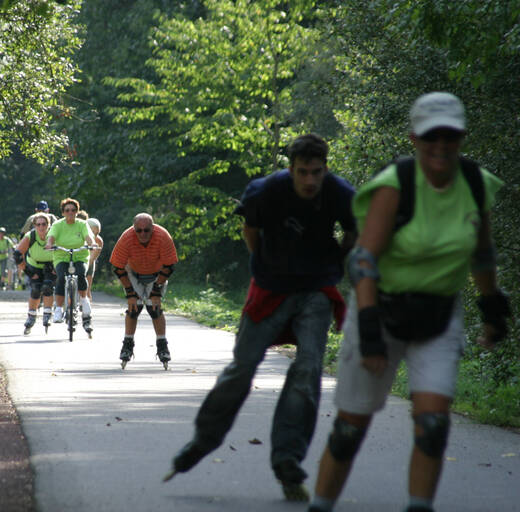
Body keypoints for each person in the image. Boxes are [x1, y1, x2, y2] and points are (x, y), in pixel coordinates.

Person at [308, 93, 509, 512]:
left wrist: (492, 306)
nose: (440, 145)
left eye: (449, 136)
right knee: (349, 428)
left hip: (438, 314)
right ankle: (320, 505)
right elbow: (363, 261)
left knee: (433, 426)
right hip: (379, 309)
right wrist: (368, 331)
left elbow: (482, 253)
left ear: (462, 137)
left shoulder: (475, 185)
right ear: (415, 138)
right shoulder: (396, 186)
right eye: (430, 136)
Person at [164, 134, 357, 502]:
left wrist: (335, 261)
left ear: (325, 168)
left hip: (316, 291)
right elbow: (250, 231)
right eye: (303, 172)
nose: (310, 181)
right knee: (242, 369)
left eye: (317, 172)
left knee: (308, 369)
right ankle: (202, 442)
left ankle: (287, 461)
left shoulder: (340, 193)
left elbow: (354, 229)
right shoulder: (266, 191)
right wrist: (267, 265)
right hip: (270, 290)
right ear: (291, 169)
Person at [109, 213, 179, 368]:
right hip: (133, 273)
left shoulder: (162, 236)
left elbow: (169, 266)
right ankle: (127, 344)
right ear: (134, 229)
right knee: (134, 308)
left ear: (153, 228)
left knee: (155, 309)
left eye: (146, 230)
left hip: (157, 274)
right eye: (138, 231)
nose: (143, 234)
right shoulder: (127, 238)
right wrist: (130, 294)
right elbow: (118, 267)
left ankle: (162, 345)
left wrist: (156, 291)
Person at [45, 198, 97, 334]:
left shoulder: (82, 224)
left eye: (73, 210)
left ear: (77, 212)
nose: (70, 212)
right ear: (63, 212)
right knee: (61, 277)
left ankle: (84, 300)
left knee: (81, 274)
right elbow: (51, 237)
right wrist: (50, 244)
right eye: (67, 210)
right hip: (61, 255)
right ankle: (58, 309)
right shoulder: (57, 225)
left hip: (80, 255)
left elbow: (89, 237)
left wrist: (91, 243)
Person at [13, 213, 56, 334]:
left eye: (44, 224)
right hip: (34, 265)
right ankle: (31, 316)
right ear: (34, 226)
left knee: (48, 286)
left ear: (49, 225)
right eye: (38, 224)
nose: (41, 227)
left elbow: (63, 251)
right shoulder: (30, 236)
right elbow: (17, 255)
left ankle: (47, 313)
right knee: (36, 288)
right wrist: (29, 272)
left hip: (51, 265)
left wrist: (57, 268)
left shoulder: (54, 235)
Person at [85, 218, 104, 302]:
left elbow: (92, 258)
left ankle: (87, 300)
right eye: (92, 232)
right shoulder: (77, 237)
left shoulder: (99, 241)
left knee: (87, 286)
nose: (94, 236)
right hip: (77, 257)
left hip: (89, 260)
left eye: (97, 233)